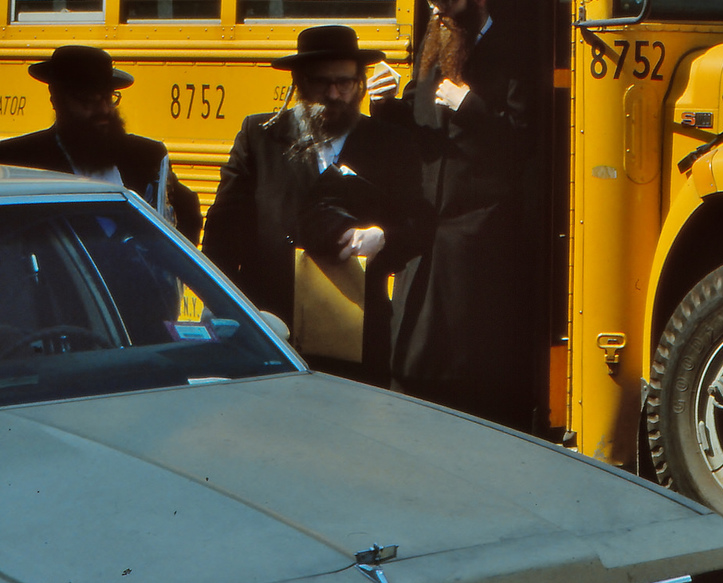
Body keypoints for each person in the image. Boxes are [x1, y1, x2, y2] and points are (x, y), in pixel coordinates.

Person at [369, 0, 542, 429]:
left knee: (466, 350)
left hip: (477, 229)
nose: (439, 12)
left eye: (449, 0)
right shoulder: (431, 45)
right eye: (433, 2)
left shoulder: (511, 52)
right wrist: (385, 106)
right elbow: (414, 132)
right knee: (413, 343)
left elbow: (525, 142)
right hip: (426, 221)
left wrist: (472, 108)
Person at [202, 25, 424, 384]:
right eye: (321, 83)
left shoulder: (390, 144)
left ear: (360, 84)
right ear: (300, 82)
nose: (334, 94)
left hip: (356, 331)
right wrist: (216, 300)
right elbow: (224, 226)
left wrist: (383, 237)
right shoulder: (261, 136)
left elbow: (419, 222)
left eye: (345, 83)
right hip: (272, 323)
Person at [0, 45, 201, 241]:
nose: (103, 110)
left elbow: (187, 214)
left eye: (108, 98)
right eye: (88, 101)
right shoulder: (18, 159)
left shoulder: (147, 156)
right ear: (56, 99)